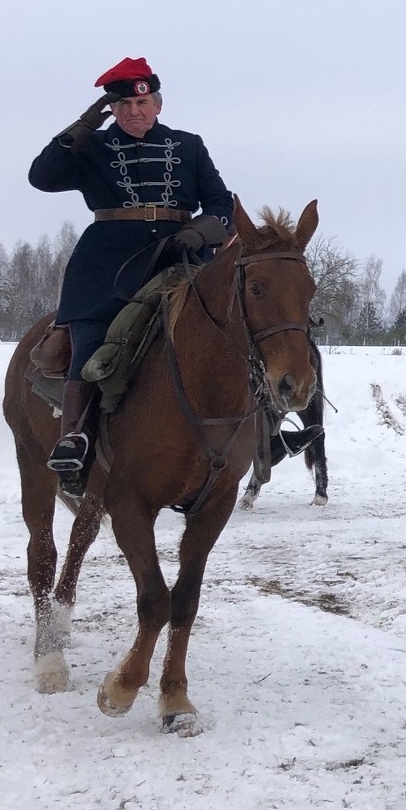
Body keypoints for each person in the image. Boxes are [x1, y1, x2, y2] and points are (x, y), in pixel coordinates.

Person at [28, 57, 236, 492]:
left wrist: (199, 232)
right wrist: (80, 128)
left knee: (233, 329)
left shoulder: (188, 146)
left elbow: (222, 205)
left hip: (178, 259)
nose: (135, 112)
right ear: (113, 110)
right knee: (90, 339)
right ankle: (75, 440)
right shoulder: (93, 148)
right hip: (107, 264)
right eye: (123, 106)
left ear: (158, 105)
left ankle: (266, 432)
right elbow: (42, 178)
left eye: (143, 104)